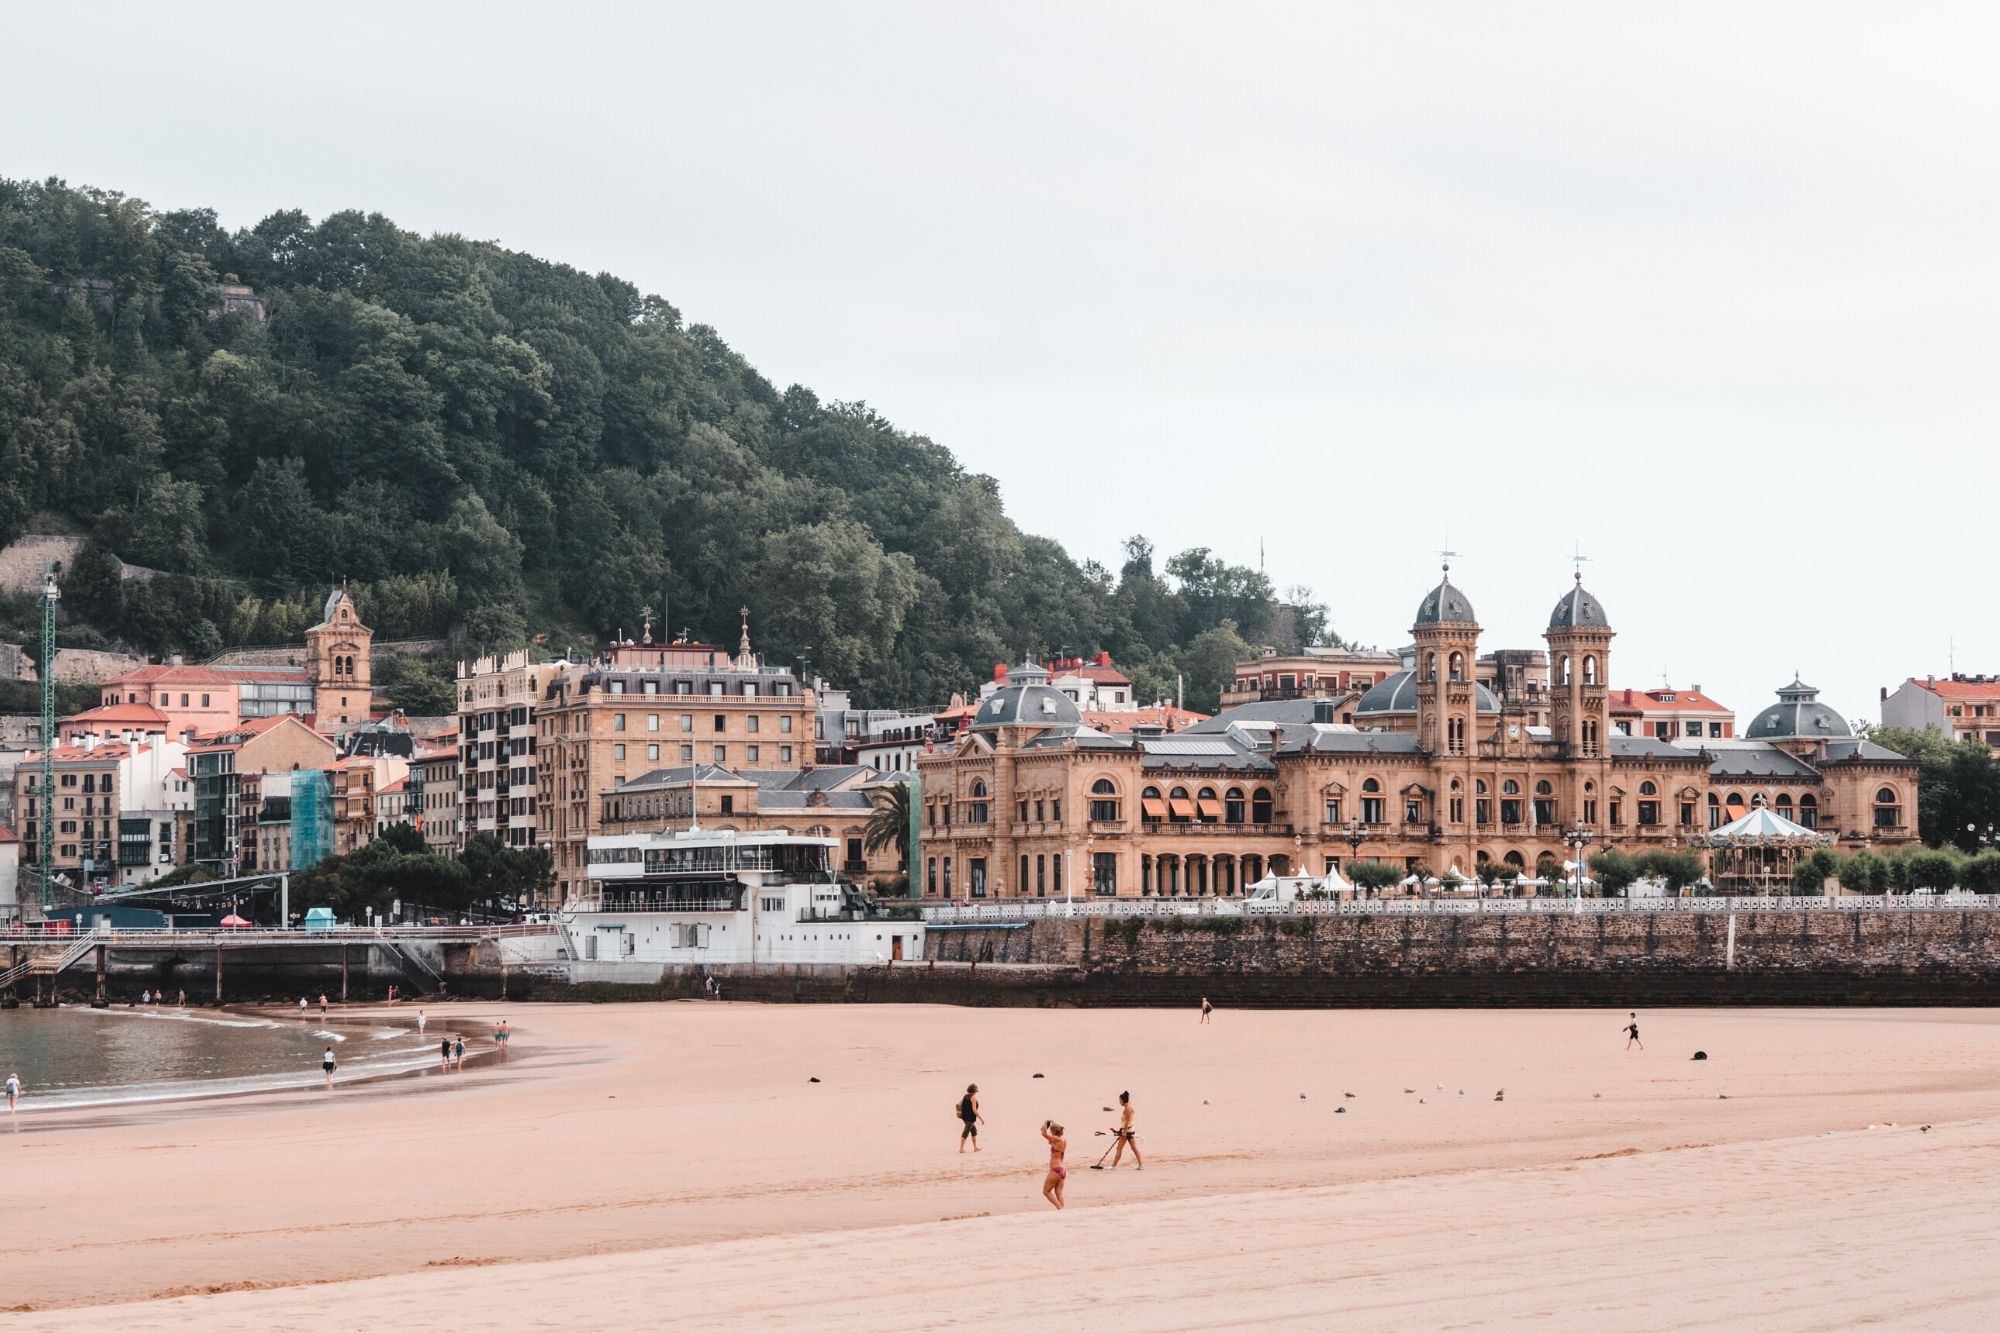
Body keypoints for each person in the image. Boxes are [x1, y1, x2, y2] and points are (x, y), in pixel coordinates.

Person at [1109, 1090, 1143, 1170]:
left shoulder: (1127, 1109)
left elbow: (1127, 1122)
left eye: (1120, 1100)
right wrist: (1118, 1131)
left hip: (1127, 1131)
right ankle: (1141, 1165)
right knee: (1134, 1148)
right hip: (1128, 1130)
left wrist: (1123, 1132)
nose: (1119, 1102)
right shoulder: (1128, 1108)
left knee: (1119, 1149)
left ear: (1123, 1100)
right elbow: (1125, 1123)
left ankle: (1113, 1166)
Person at [1040, 1120, 1067, 1210]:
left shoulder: (1057, 1139)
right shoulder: (1062, 1140)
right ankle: (1062, 1209)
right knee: (1058, 1192)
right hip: (1062, 1170)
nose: (1050, 1132)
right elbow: (1050, 1141)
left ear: (1054, 1131)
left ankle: (1060, 1209)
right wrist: (1052, 1123)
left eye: (1051, 1131)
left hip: (1056, 1169)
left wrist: (1046, 1122)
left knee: (1046, 1192)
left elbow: (1043, 1133)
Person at [957, 1083, 985, 1152]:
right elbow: (974, 1110)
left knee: (974, 1131)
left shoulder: (965, 1096)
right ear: (974, 1090)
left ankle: (975, 1148)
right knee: (966, 1132)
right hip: (970, 1118)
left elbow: (958, 1104)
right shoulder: (973, 1097)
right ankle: (961, 1148)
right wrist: (981, 1119)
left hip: (964, 1117)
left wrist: (959, 1113)